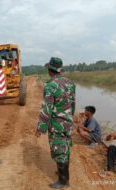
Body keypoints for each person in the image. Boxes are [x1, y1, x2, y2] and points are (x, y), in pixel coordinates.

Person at [36, 57, 76, 189]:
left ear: (50, 69)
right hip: (68, 123)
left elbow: (47, 108)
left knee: (59, 149)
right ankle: (62, 172)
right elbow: (73, 105)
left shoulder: (50, 85)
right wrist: (70, 118)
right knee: (65, 148)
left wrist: (41, 127)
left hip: (57, 124)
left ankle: (63, 181)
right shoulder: (70, 83)